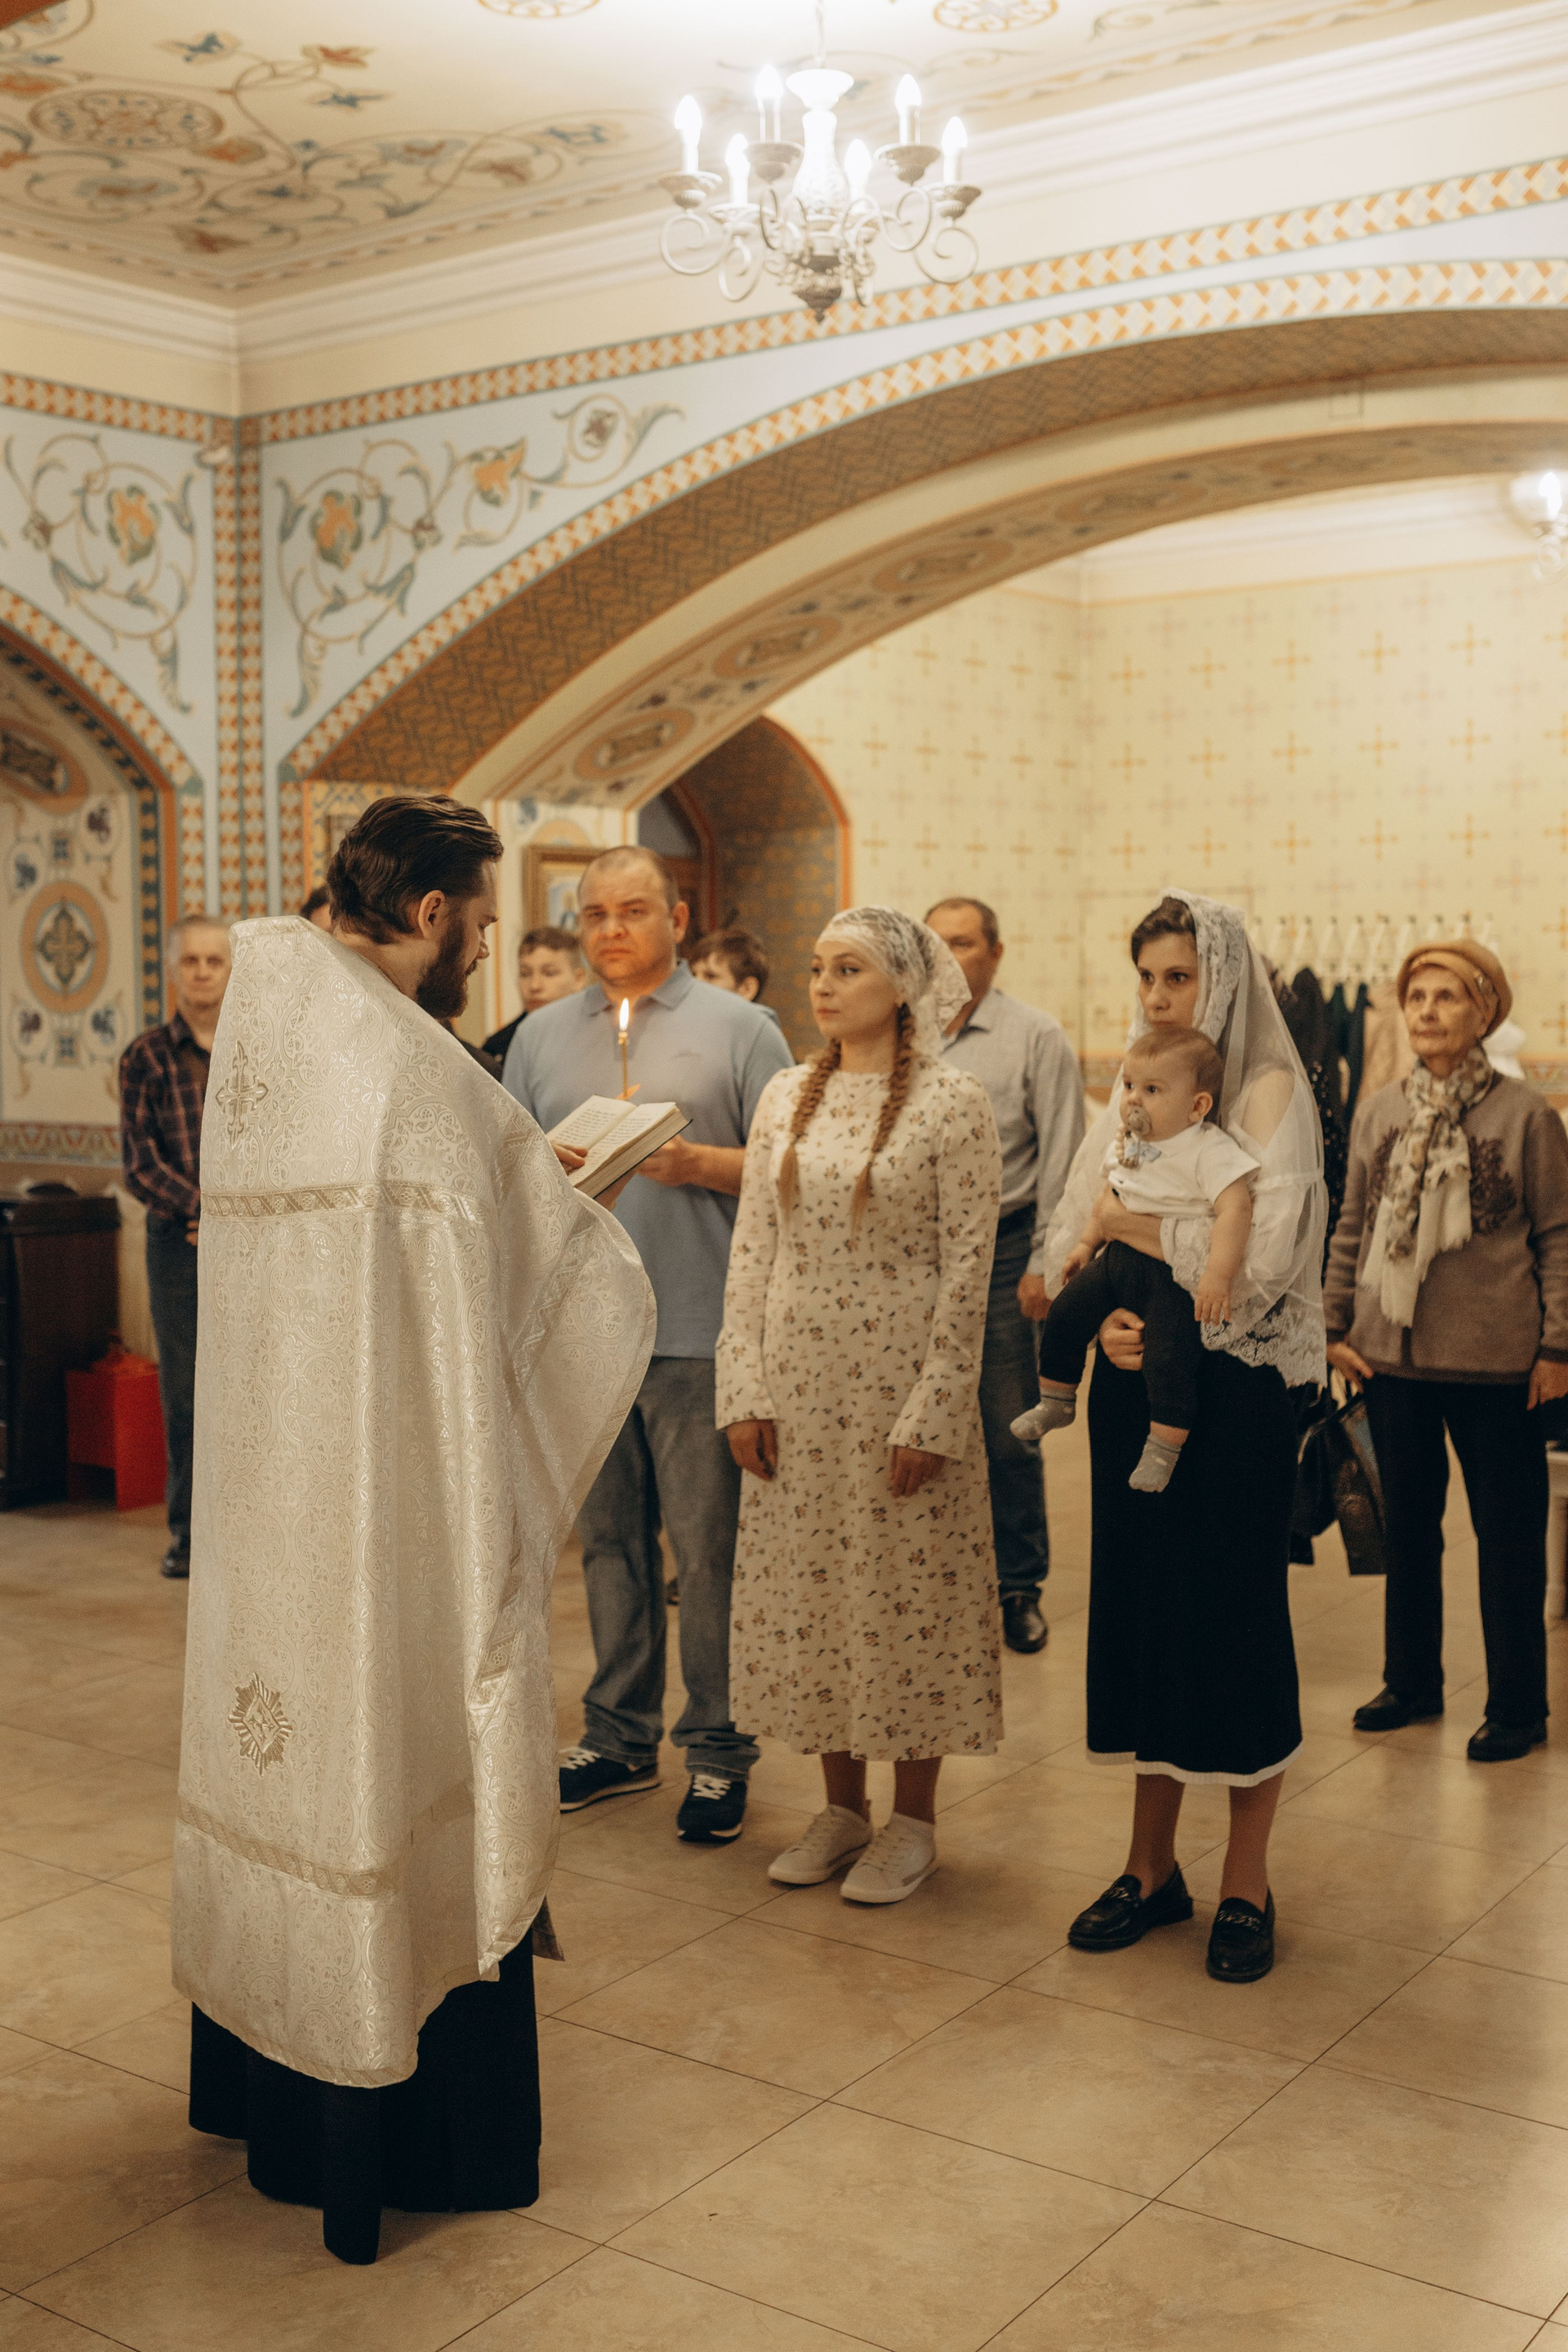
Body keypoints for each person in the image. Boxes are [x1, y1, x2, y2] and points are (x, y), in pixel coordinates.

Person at [173, 795, 654, 2265]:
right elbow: (500, 1278)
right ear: (434, 913)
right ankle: (418, 2126)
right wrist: (569, 1207)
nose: (490, 951)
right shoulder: (408, 1063)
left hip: (276, 1499)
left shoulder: (270, 1025)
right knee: (394, 1735)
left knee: (282, 1750)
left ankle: (263, 2083)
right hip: (381, 1507)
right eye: (485, 924)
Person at [1042, 890, 1325, 1984]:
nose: (1161, 998)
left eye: (1180, 977)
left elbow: (1264, 1261)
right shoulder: (1137, 1088)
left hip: (1236, 1397)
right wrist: (1106, 1305)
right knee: (1143, 1614)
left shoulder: (1267, 1093)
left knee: (1233, 1623)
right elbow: (1082, 1222)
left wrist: (1133, 1232)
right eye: (1148, 978)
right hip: (1135, 1390)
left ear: (1225, 981)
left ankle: (1248, 1880)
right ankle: (1150, 1868)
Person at [503, 846, 793, 1844]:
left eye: (633, 910)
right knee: (611, 1546)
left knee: (707, 1553)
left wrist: (698, 1162)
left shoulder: (741, 1028)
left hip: (698, 1325)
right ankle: (619, 1736)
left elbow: (793, 1172)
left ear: (676, 917)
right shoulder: (541, 1036)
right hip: (583, 1331)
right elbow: (510, 1177)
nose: (612, 930)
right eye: (594, 914)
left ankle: (718, 1748)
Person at [718, 908, 1003, 1904]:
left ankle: (913, 1822)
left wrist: (935, 1409)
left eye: (848, 969)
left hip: (897, 1384)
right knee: (816, 1597)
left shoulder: (953, 1103)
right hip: (798, 1388)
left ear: (902, 986)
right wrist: (743, 1386)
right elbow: (752, 1249)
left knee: (907, 1595)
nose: (824, 986)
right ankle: (841, 1809)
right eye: (817, 968)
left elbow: (970, 1267)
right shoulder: (785, 1094)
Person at [1325, 938, 1568, 1761]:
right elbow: (1353, 1225)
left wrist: (1559, 1347)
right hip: (1390, 1358)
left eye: (1447, 996)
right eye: (1416, 997)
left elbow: (1559, 1236)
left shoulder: (1526, 1116)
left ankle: (1519, 1708)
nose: (1427, 1011)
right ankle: (1411, 1683)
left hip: (1499, 1364)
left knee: (1507, 1536)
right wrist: (1333, 1326)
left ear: (1483, 1011)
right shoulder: (1379, 1111)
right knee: (1406, 1529)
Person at [926, 897, 1085, 1653]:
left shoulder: (1035, 1035)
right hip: (914, 1257)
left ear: (994, 952)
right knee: (922, 1422)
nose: (949, 956)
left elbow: (1064, 1154)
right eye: (937, 943)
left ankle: (1018, 1585)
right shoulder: (905, 1029)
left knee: (1007, 1427)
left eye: (963, 943)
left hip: (1004, 1250)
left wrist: (1046, 1262)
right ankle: (937, 1582)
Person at [1020, 1025, 1257, 1492]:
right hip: (1117, 1258)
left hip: (1169, 1274)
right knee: (1065, 1312)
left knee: (1168, 1356)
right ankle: (1056, 1397)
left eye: (1152, 1090)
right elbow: (1110, 1195)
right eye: (1129, 1085)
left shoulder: (1208, 1148)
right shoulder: (1128, 1142)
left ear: (1197, 1106)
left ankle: (1164, 1447)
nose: (1133, 1099)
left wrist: (1217, 1273)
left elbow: (1236, 1208)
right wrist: (1085, 1245)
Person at [118, 911, 233, 1579]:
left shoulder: (255, 1049)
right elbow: (140, 1164)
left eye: (215, 960)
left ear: (231, 969)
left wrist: (235, 1217)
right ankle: (190, 1536)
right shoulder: (147, 1056)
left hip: (250, 1241)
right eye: (191, 960)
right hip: (177, 1244)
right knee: (187, 1394)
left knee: (250, 1387)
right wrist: (203, 1209)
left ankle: (247, 1531)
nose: (203, 972)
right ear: (172, 970)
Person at [483, 923, 586, 1063]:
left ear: (578, 979)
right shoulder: (496, 1048)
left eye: (549, 973)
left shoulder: (598, 1036)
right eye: (525, 974)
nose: (534, 986)